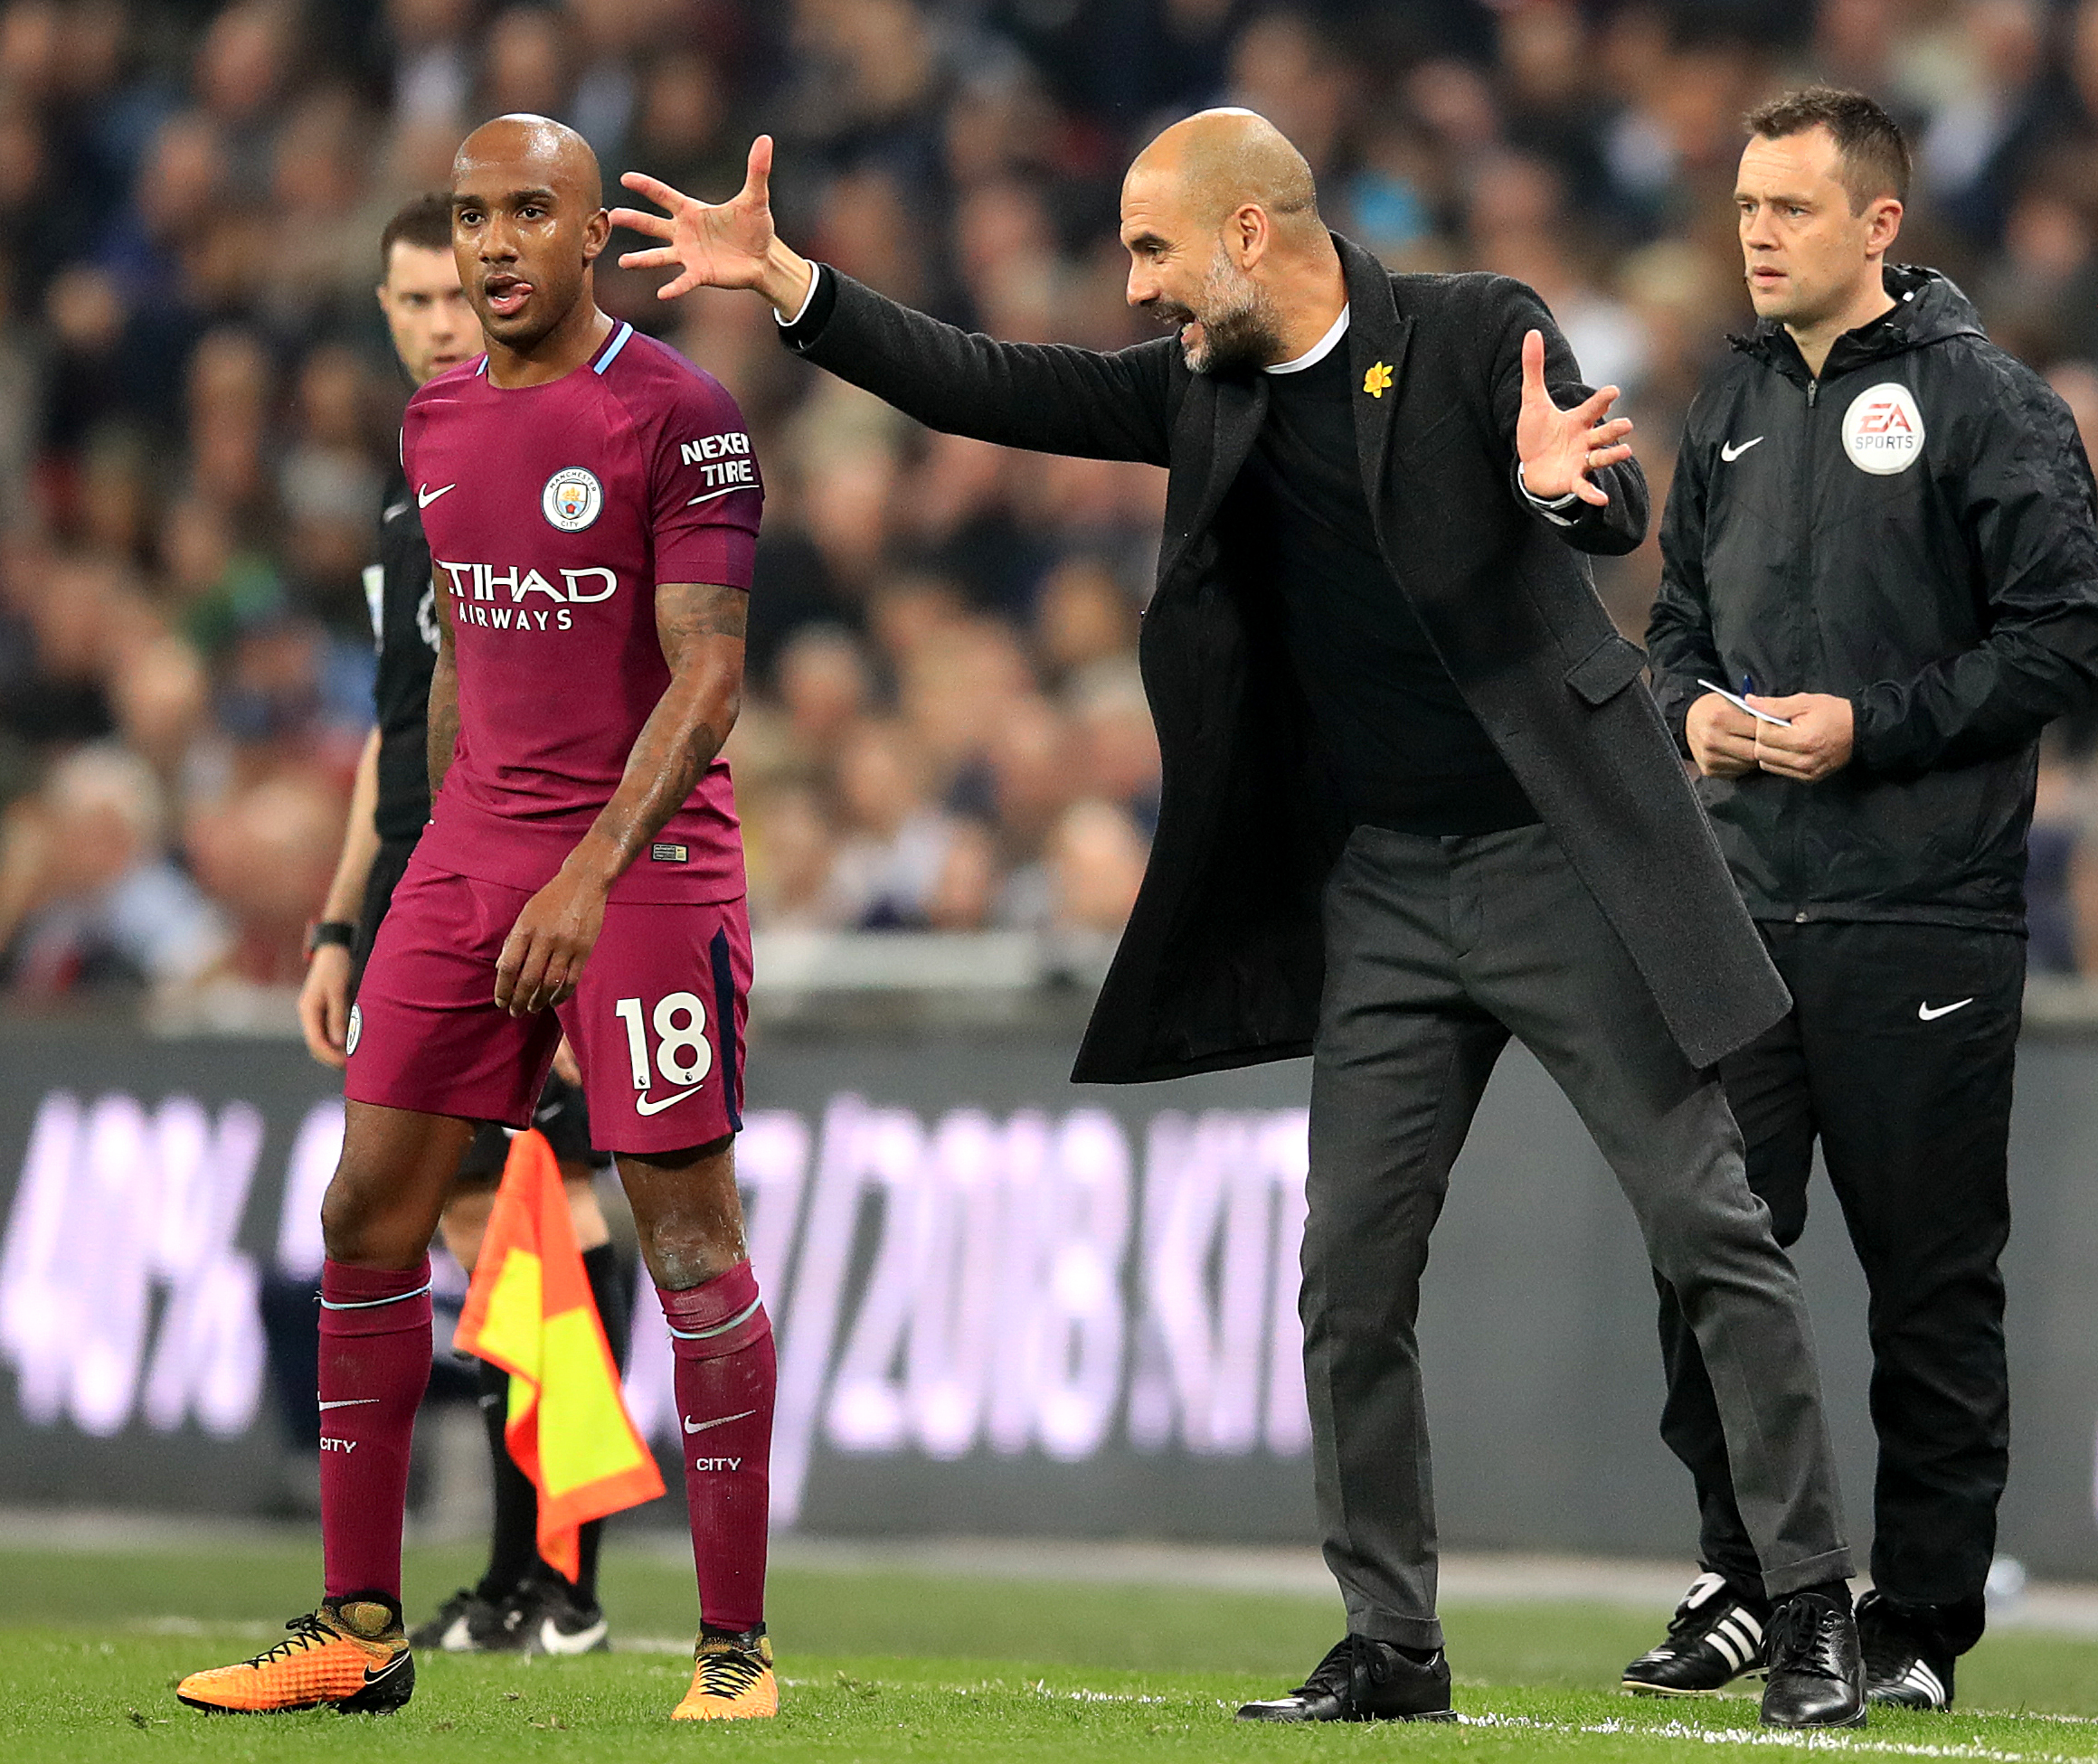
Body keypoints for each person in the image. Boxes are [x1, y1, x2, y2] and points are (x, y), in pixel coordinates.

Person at [617, 108, 1867, 1729]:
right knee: (1347, 1276)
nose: (1137, 289)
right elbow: (995, 382)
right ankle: (1393, 1646)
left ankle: (1811, 1603)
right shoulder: (1201, 396)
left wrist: (1565, 495)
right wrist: (791, 283)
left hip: (1556, 858)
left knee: (1708, 1224)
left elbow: (1603, 497)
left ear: (1251, 234)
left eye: (1153, 250)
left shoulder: (1477, 327)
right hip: (1386, 894)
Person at [176, 114, 776, 1722]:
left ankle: (732, 1651)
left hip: (642, 873)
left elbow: (709, 679)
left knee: (687, 1239)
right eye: (470, 216)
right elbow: (454, 673)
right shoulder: (434, 420)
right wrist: (424, 876)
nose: (494, 244)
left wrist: (584, 872)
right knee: (366, 1216)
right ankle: (356, 1632)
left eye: (529, 213)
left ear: (592, 237)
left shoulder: (684, 416)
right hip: (473, 857)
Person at [1639, 88, 2098, 1712]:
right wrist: (1687, 709)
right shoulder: (1728, 408)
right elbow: (1673, 629)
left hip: (1925, 915)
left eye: (1789, 207)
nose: (1756, 232)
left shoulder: (1991, 408)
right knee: (1712, 1254)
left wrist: (1875, 728)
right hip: (1744, 907)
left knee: (1927, 1283)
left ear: (1879, 225)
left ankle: (1915, 1621)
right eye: (1746, 204)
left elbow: (2064, 641)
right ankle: (1749, 1581)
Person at [289, 192, 639, 1660]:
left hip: (529, 882)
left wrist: (586, 900)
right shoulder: (415, 474)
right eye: (415, 300)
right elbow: (394, 724)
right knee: (471, 1217)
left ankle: (553, 1579)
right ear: (385, 311)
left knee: (539, 1213)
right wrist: (336, 916)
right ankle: (530, 1576)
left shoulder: (556, 442)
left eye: (458, 293)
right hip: (425, 885)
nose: (444, 318)